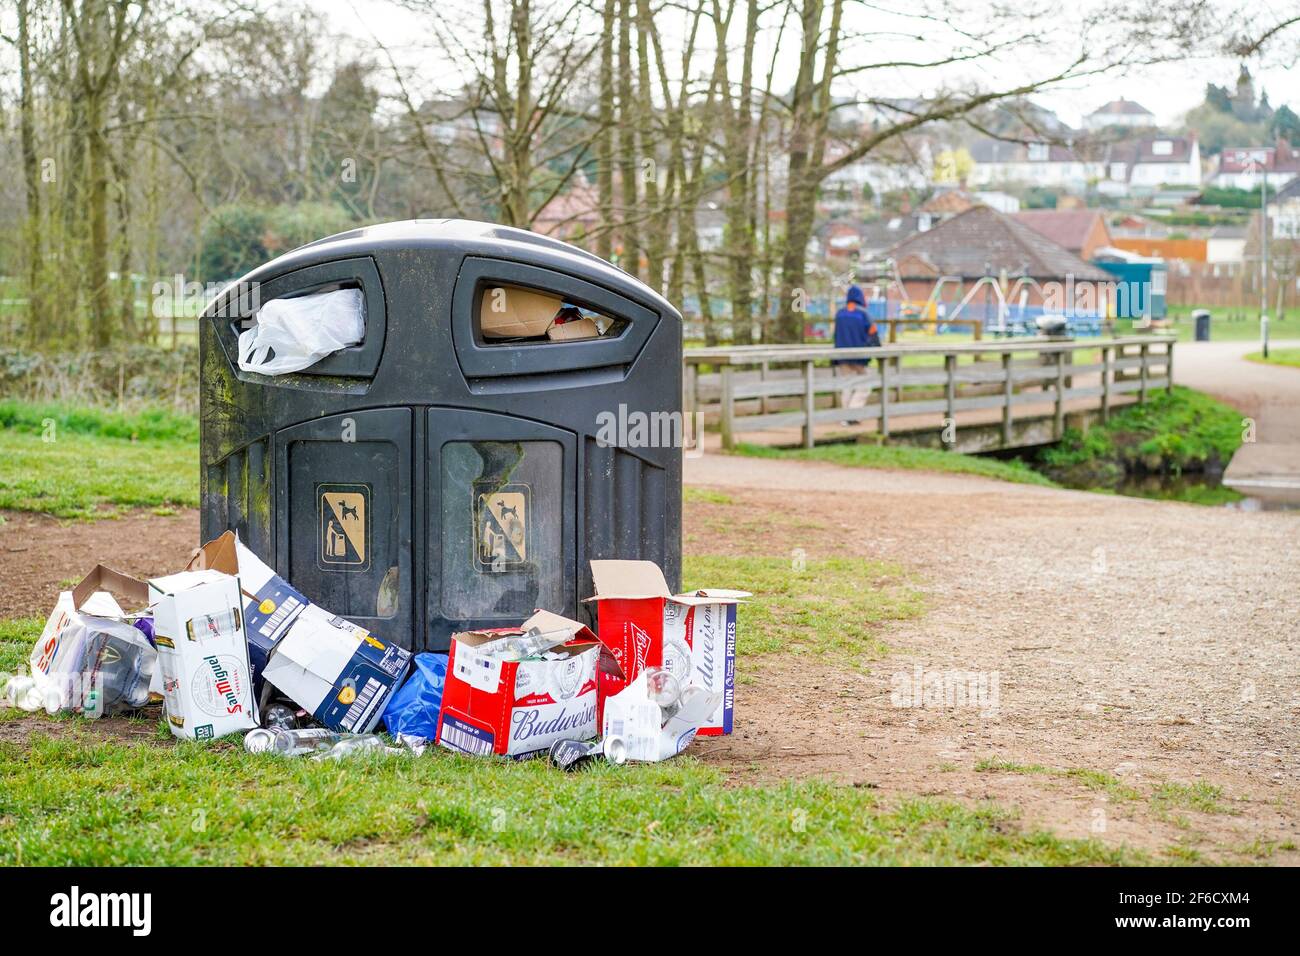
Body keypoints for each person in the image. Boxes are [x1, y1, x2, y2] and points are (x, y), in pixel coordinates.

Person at [832, 285, 881, 414]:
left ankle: (845, 415)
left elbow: (836, 335)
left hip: (842, 357)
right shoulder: (864, 314)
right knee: (865, 385)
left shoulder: (840, 313)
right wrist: (877, 352)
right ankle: (853, 413)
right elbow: (873, 334)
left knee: (847, 386)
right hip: (859, 357)